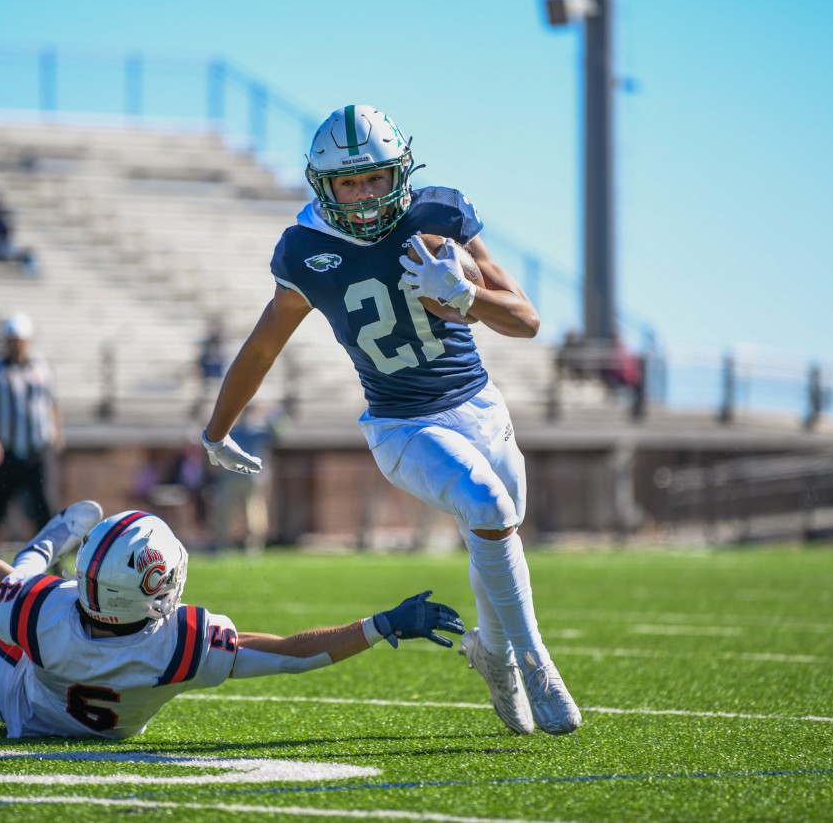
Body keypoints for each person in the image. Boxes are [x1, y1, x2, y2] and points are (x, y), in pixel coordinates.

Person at [200, 105, 581, 737]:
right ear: (324, 187)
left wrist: (468, 297)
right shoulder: (306, 249)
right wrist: (216, 429)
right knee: (486, 505)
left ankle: (491, 651)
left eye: (374, 177)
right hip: (403, 425)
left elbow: (526, 320)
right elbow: (263, 345)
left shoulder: (438, 216)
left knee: (498, 529)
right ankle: (533, 661)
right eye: (348, 183)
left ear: (399, 171)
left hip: (481, 407)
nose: (364, 194)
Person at [0, 389, 466, 739]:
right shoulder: (181, 645)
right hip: (81, 713)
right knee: (17, 621)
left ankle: (30, 567)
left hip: (25, 706)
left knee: (19, 599)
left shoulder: (47, 613)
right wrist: (382, 625)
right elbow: (296, 654)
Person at [0, 313, 62, 553]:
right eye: (12, 341)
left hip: (38, 452)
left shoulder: (41, 366)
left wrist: (57, 431)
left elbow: (52, 403)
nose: (15, 346)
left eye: (19, 341)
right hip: (6, 454)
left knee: (45, 509)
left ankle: (52, 563)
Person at [209, 402, 286, 554]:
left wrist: (272, 413)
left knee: (253, 513)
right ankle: (223, 544)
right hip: (231, 477)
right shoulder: (234, 431)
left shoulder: (259, 431)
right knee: (225, 512)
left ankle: (253, 547)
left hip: (252, 479)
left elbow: (280, 432)